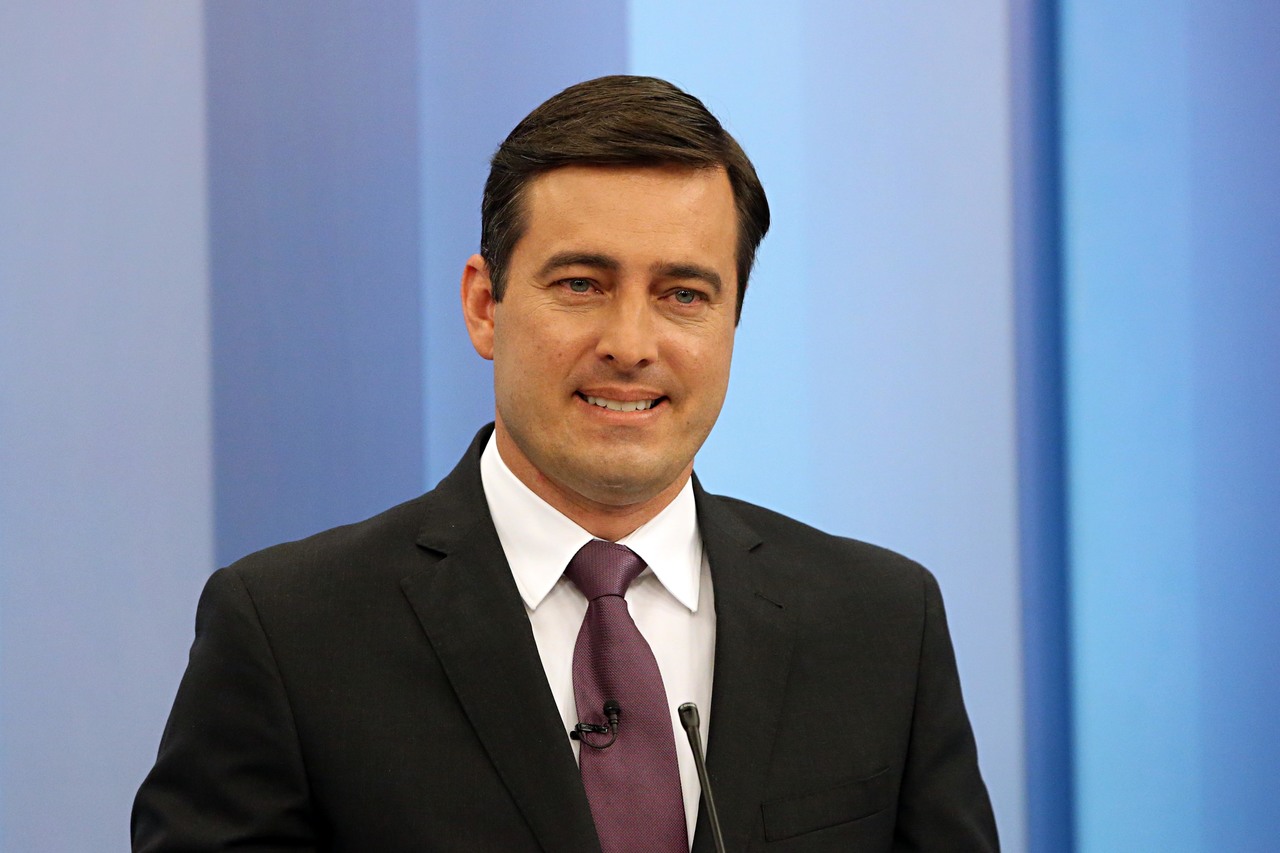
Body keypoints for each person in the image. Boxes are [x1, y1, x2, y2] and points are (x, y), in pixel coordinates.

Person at [132, 75, 998, 852]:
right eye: (582, 284)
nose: (631, 344)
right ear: (485, 305)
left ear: (733, 321)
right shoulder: (288, 634)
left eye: (683, 294)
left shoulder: (884, 624)